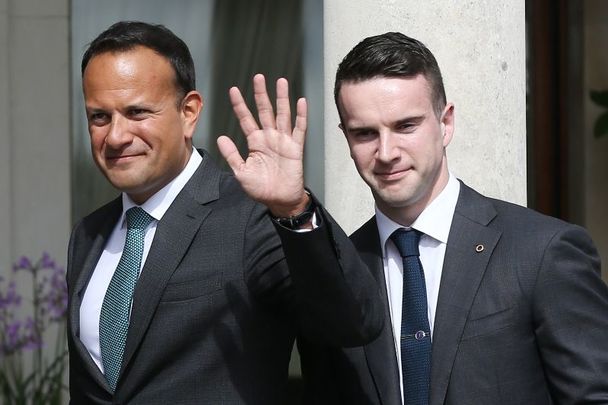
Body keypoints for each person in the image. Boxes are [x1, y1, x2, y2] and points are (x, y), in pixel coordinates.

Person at [66, 21, 383, 404]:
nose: (115, 135)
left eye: (137, 112)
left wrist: (295, 209)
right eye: (99, 117)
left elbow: (353, 321)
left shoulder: (253, 217)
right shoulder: (88, 235)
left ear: (189, 112)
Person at [296, 32, 608, 404]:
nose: (386, 152)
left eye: (405, 126)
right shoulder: (341, 272)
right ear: (345, 138)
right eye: (365, 133)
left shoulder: (541, 252)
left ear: (446, 123)